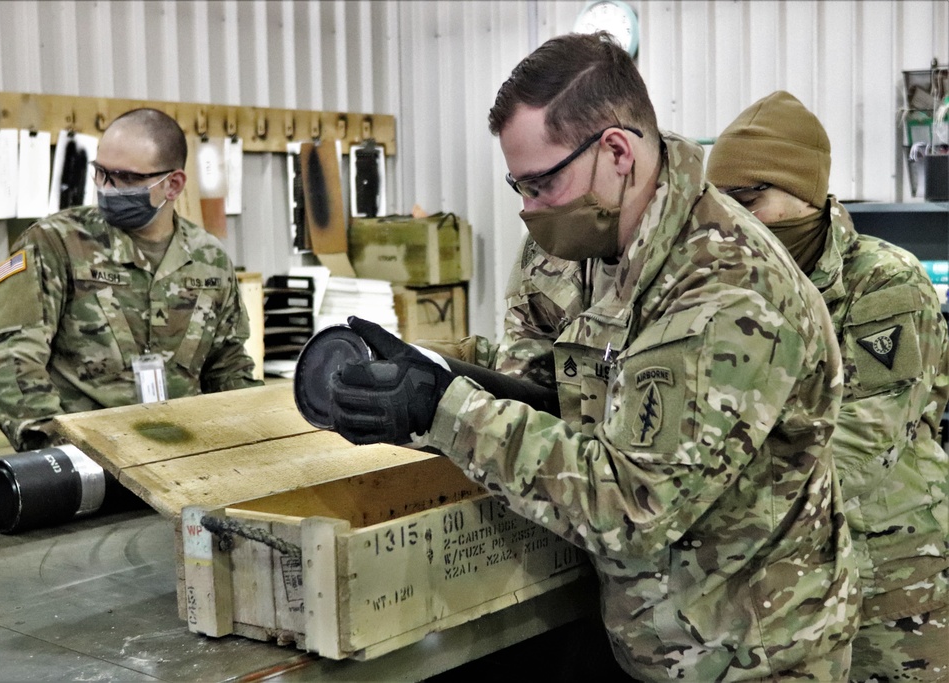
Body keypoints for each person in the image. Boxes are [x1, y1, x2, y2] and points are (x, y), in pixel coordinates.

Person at [325, 33, 860, 681]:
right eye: (517, 185)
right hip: (661, 640)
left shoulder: (725, 288)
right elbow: (568, 396)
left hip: (756, 658)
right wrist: (441, 375)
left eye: (542, 182)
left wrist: (445, 411)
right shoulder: (604, 248)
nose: (527, 208)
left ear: (615, 151)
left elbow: (634, 507)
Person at [707, 91, 949, 683]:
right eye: (719, 206)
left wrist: (707, 486)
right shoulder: (729, 288)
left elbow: (862, 445)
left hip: (892, 584)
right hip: (783, 591)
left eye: (749, 200)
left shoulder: (884, 282)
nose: (732, 223)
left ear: (805, 193)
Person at [0, 108, 262, 452]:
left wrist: (255, 433)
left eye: (126, 178)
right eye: (101, 173)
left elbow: (227, 364)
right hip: (88, 463)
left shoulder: (209, 260)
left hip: (185, 458)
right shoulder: (54, 244)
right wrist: (59, 452)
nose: (107, 188)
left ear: (173, 185)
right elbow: (10, 364)